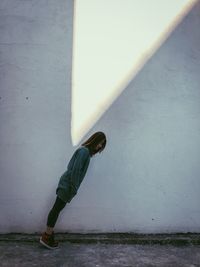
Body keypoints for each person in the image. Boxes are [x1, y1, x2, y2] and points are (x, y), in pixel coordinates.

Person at [40, 131, 107, 249]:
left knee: (57, 208)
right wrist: (74, 188)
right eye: (100, 143)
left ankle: (48, 235)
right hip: (68, 185)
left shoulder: (85, 152)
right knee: (56, 209)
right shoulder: (84, 152)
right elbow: (76, 171)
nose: (100, 146)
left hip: (67, 184)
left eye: (102, 144)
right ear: (94, 140)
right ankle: (46, 236)